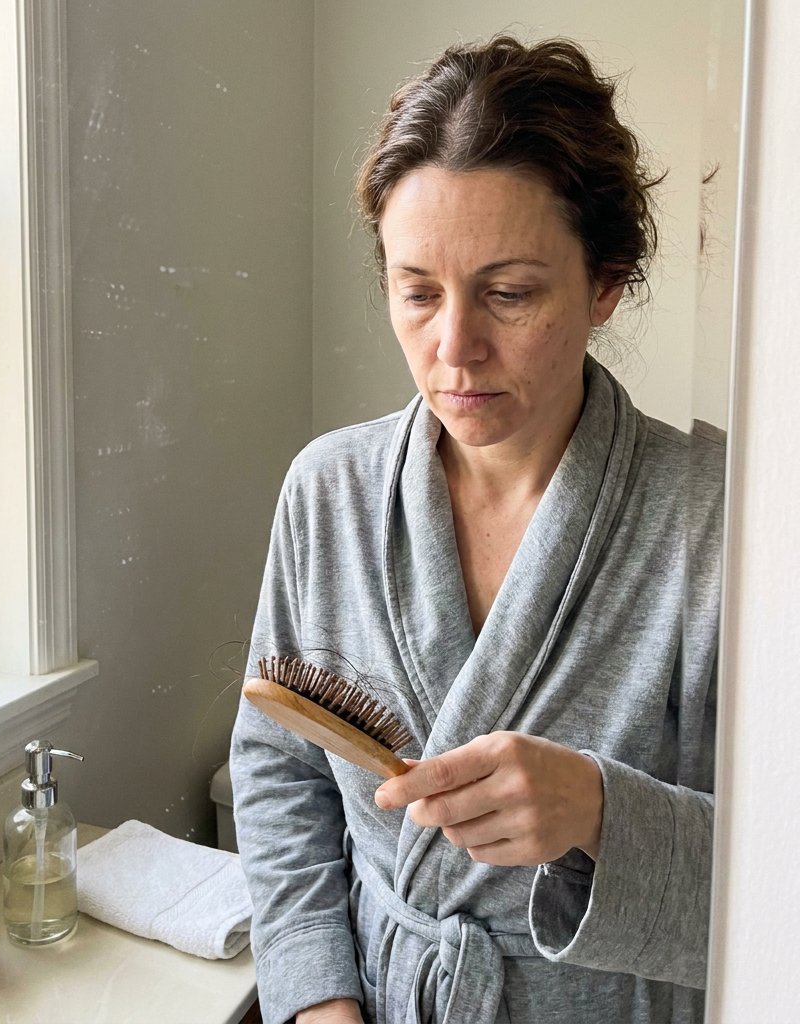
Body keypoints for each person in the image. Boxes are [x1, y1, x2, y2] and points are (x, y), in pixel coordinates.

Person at [230, 35, 723, 1024]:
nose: (453, 349)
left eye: (509, 294)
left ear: (606, 282)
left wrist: (597, 812)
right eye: (417, 293)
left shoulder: (710, 523)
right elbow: (278, 768)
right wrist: (317, 1001)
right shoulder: (326, 492)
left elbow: (778, 880)